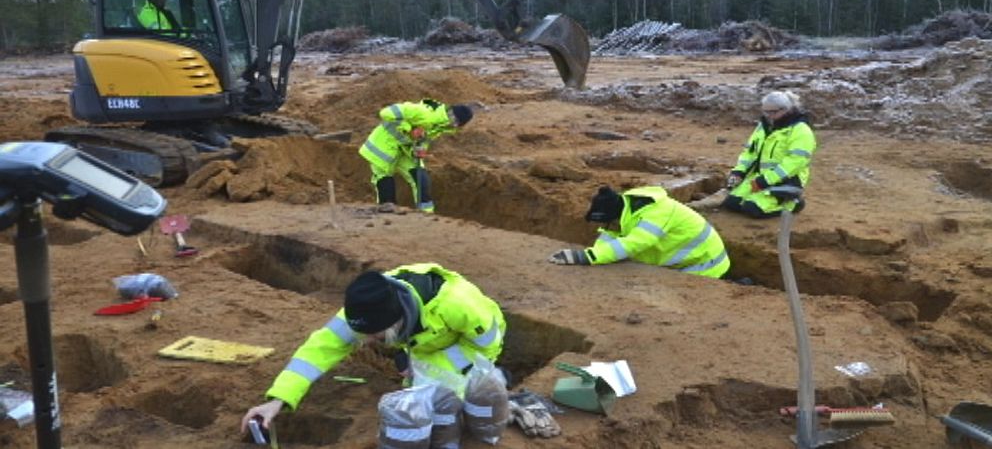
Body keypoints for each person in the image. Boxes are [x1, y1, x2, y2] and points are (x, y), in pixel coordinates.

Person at [240, 262, 506, 433]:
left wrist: (432, 372)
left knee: (439, 408)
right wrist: (279, 400)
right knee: (417, 400)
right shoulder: (369, 305)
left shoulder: (458, 304)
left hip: (473, 343)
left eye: (375, 337)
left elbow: (487, 347)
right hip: (420, 344)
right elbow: (318, 349)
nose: (365, 342)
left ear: (397, 321)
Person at [548, 185, 730, 278]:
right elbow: (609, 235)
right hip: (685, 262)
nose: (606, 228)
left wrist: (587, 257)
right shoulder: (626, 210)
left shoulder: (655, 213)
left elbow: (634, 243)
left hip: (706, 264)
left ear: (616, 217)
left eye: (608, 223)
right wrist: (597, 255)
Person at [359, 98, 473, 212]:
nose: (453, 124)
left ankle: (426, 216)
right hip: (382, 147)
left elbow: (423, 139)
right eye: (454, 120)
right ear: (450, 113)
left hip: (404, 151)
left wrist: (419, 150)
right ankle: (388, 216)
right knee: (385, 181)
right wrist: (410, 128)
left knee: (421, 179)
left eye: (456, 124)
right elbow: (385, 112)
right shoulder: (421, 112)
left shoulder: (440, 127)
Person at [721, 90, 816, 218]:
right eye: (766, 111)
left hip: (787, 180)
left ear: (787, 110)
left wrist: (765, 180)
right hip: (759, 176)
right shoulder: (764, 127)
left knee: (752, 208)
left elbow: (794, 163)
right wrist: (739, 171)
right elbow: (750, 152)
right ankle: (765, 197)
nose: (768, 116)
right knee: (732, 203)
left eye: (773, 112)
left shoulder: (800, 130)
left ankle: (793, 203)